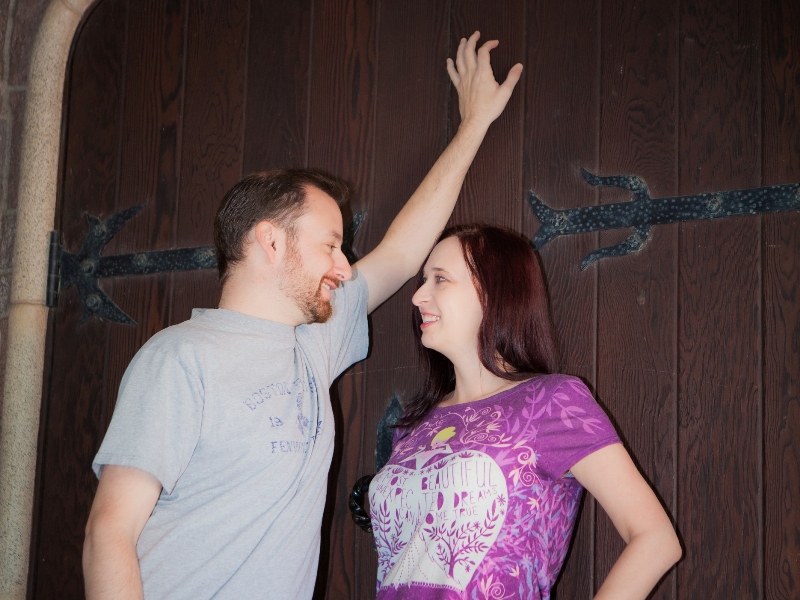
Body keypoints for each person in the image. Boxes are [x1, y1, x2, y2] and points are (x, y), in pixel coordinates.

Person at [82, 33, 523, 600]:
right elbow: (108, 533)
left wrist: (473, 126)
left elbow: (402, 252)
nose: (344, 265)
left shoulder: (317, 340)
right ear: (271, 242)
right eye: (331, 245)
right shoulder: (178, 358)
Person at [368, 225, 682, 599]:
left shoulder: (551, 402)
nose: (419, 295)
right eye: (423, 281)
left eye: (440, 279)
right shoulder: (414, 426)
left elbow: (656, 539)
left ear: (495, 292)